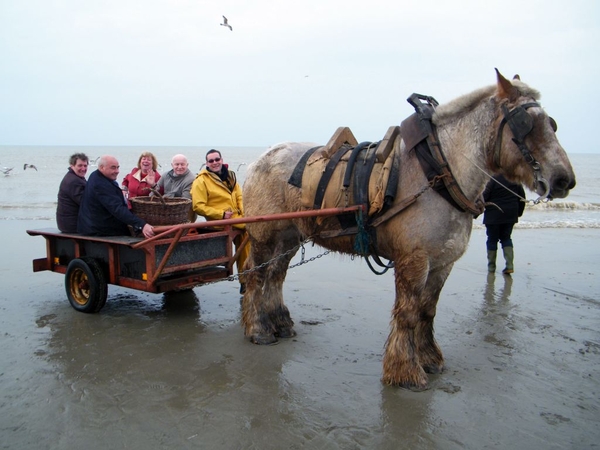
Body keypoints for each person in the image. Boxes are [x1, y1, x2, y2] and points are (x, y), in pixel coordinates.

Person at [191, 149, 250, 293]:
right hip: (219, 221)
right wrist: (221, 214)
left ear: (222, 160)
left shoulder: (231, 176)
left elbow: (239, 196)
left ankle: (248, 279)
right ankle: (247, 279)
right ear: (207, 163)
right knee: (252, 229)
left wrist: (243, 211)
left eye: (217, 159)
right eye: (211, 161)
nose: (215, 163)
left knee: (248, 235)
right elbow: (198, 206)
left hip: (237, 217)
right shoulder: (201, 181)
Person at [77, 155, 155, 238]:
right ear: (101, 167)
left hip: (91, 225)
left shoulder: (96, 176)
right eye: (113, 168)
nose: (117, 171)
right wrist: (142, 225)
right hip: (99, 230)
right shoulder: (100, 184)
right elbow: (117, 209)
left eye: (118, 167)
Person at [482, 174, 526, 274]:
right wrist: (519, 213)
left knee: (492, 239)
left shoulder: (492, 178)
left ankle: (491, 267)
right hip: (510, 214)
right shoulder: (515, 178)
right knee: (506, 238)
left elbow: (485, 196)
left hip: (493, 214)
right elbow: (522, 198)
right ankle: (509, 266)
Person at [56, 153, 89, 233]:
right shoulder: (74, 181)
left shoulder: (74, 177)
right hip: (71, 225)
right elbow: (85, 203)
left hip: (67, 222)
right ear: (72, 166)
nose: (83, 168)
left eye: (85, 166)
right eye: (80, 165)